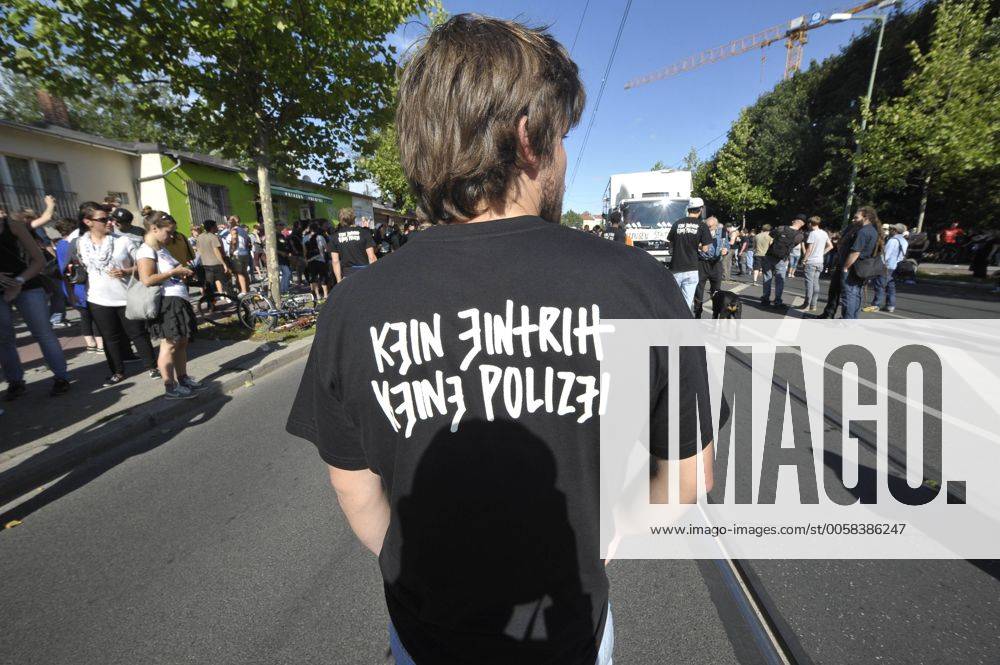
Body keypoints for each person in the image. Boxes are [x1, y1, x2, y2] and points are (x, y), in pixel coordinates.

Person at [286, 15, 712, 665]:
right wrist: (616, 529)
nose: (565, 156)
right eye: (562, 137)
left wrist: (414, 565)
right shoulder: (639, 285)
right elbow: (686, 476)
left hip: (426, 636)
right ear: (529, 139)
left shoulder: (353, 305)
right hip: (567, 633)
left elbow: (356, 491)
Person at [74, 202, 158, 384]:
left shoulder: (123, 241)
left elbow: (143, 263)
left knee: (137, 334)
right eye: (104, 219)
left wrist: (126, 271)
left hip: (125, 296)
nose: (110, 222)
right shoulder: (81, 243)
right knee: (109, 338)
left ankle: (152, 366)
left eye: (110, 218)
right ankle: (117, 371)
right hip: (98, 299)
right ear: (88, 222)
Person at [0, 210, 71, 399]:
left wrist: (19, 281)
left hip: (27, 284)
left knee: (43, 332)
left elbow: (38, 260)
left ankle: (61, 377)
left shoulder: (13, 226)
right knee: (4, 339)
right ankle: (15, 382)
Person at [137, 212, 201, 400]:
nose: (172, 236)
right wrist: (175, 271)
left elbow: (167, 273)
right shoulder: (146, 250)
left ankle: (183, 379)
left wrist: (181, 274)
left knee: (181, 342)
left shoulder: (161, 249)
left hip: (178, 298)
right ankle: (170, 386)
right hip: (167, 302)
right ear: (154, 229)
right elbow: (147, 279)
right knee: (170, 344)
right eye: (169, 232)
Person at [54, 217, 103, 353]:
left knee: (85, 315)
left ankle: (90, 344)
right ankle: (100, 344)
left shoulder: (60, 246)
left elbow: (62, 268)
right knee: (95, 315)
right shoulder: (78, 242)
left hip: (71, 284)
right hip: (83, 283)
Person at [667, 197, 712, 309]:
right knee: (687, 303)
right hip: (692, 268)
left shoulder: (677, 223)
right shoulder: (702, 225)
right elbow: (706, 249)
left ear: (688, 209)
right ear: (701, 209)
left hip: (676, 267)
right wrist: (698, 246)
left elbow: (670, 243)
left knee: (672, 300)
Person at [839, 206, 882, 319]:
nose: (854, 220)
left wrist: (846, 267)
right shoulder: (873, 230)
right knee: (856, 293)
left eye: (856, 217)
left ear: (865, 217)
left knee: (849, 295)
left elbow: (855, 252)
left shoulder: (863, 232)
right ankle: (852, 319)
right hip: (863, 268)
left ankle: (847, 320)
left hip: (855, 266)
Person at [760, 214, 805, 308]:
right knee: (780, 280)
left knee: (767, 277)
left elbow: (771, 235)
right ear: (803, 224)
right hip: (782, 259)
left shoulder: (781, 228)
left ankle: (765, 298)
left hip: (770, 255)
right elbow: (793, 245)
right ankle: (777, 301)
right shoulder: (800, 235)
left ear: (794, 220)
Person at [865, 223, 908, 313]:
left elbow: (885, 255)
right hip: (895, 266)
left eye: (892, 229)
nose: (890, 230)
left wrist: (877, 265)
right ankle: (890, 305)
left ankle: (875, 305)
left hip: (887, 266)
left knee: (879, 285)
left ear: (895, 231)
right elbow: (901, 256)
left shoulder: (893, 240)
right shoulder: (904, 241)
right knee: (891, 287)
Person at [693, 215, 728, 318]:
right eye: (706, 226)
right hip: (702, 263)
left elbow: (726, 245)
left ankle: (715, 313)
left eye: (710, 226)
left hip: (716, 264)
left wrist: (725, 250)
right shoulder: (700, 231)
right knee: (699, 289)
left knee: (716, 291)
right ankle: (698, 312)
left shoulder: (722, 232)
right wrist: (698, 246)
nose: (708, 228)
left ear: (716, 226)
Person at [330, 208, 376, 282]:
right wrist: (374, 275)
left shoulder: (334, 237)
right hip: (365, 273)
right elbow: (372, 257)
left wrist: (339, 281)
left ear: (340, 220)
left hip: (347, 275)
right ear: (354, 218)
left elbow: (335, 261)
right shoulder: (364, 233)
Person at [798, 216, 832, 312]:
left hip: (811, 261)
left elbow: (809, 249)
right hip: (820, 262)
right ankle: (813, 305)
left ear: (810, 224)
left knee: (809, 283)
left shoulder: (813, 233)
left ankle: (806, 304)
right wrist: (822, 253)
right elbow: (830, 246)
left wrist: (804, 260)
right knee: (815, 283)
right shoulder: (824, 233)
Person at [195, 219, 231, 298]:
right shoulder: (213, 237)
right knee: (225, 282)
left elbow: (198, 250)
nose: (217, 227)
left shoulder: (199, 237)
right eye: (215, 226)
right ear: (212, 227)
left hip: (206, 264)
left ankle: (210, 302)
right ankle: (230, 298)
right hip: (216, 263)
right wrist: (224, 263)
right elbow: (216, 251)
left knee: (209, 285)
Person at [222, 215, 251, 295]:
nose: (229, 222)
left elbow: (234, 240)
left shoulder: (234, 230)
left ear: (234, 221)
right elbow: (247, 241)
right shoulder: (243, 230)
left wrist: (232, 250)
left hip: (237, 254)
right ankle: (247, 289)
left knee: (239, 273)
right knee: (244, 272)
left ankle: (244, 291)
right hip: (244, 253)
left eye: (230, 220)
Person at [302, 221, 330, 299]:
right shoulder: (320, 237)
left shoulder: (305, 238)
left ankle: (317, 295)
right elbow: (327, 248)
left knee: (313, 278)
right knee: (323, 277)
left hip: (310, 261)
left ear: (310, 229)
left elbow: (304, 251)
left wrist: (306, 260)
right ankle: (325, 295)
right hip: (321, 260)